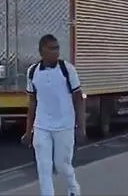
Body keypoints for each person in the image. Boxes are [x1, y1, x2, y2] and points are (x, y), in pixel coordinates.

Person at [23, 34, 83, 196]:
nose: (56, 52)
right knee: (43, 167)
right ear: (41, 51)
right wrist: (28, 131)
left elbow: (78, 99)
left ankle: (73, 188)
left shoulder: (67, 69)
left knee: (62, 165)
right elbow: (32, 103)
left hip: (65, 125)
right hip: (42, 126)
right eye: (51, 48)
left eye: (57, 48)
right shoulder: (33, 72)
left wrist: (81, 126)